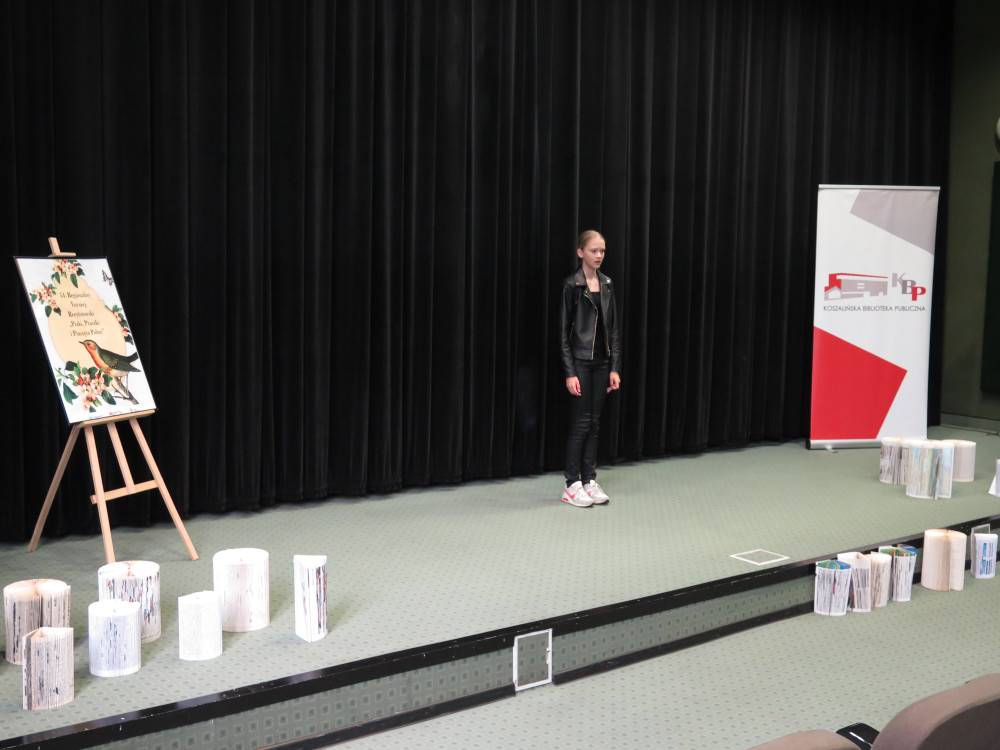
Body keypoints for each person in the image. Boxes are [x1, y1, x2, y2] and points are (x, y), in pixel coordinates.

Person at [559, 230, 622, 507]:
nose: (599, 255)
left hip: (602, 363)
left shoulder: (607, 284)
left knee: (595, 423)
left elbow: (614, 330)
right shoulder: (571, 285)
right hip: (580, 363)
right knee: (581, 423)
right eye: (594, 250)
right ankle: (571, 484)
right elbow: (563, 334)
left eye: (602, 251)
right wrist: (570, 372)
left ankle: (588, 479)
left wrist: (614, 367)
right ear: (580, 252)